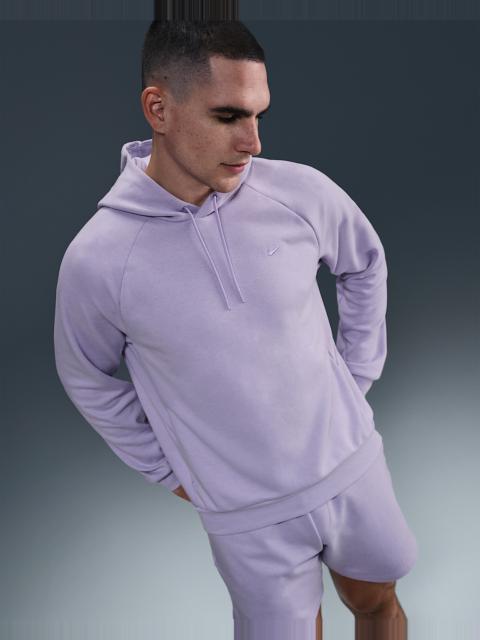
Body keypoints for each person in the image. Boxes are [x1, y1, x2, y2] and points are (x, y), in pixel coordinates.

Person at [53, 20, 418, 640]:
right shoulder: (99, 260)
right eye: (228, 116)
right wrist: (172, 471)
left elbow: (364, 264)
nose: (252, 142)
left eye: (258, 115)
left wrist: (355, 379)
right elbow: (86, 377)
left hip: (350, 469)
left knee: (377, 601)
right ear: (158, 109)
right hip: (248, 515)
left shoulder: (298, 191)